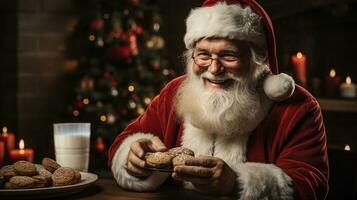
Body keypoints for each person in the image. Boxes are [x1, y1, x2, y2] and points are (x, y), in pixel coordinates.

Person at [108, 0, 329, 199]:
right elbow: (124, 142)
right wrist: (132, 157)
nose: (214, 69)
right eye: (203, 54)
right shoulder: (174, 91)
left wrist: (237, 183)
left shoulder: (297, 107)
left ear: (256, 61)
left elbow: (310, 184)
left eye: (229, 55)